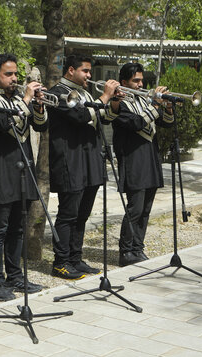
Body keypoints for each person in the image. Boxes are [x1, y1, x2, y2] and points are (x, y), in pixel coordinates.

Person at [0, 53, 47, 301]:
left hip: (22, 171)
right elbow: (2, 124)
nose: (14, 79)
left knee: (18, 227)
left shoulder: (19, 99)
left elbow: (39, 125)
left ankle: (16, 276)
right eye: (9, 74)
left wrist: (37, 105)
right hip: (0, 172)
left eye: (16, 74)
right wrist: (27, 99)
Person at [46, 55, 121, 279]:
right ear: (71, 70)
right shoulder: (57, 92)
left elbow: (105, 117)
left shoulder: (87, 93)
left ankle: (75, 258)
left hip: (90, 160)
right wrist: (105, 96)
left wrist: (114, 100)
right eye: (85, 71)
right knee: (68, 214)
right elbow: (79, 116)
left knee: (82, 215)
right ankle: (60, 261)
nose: (89, 76)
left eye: (89, 72)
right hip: (69, 160)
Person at [112, 63, 173, 267]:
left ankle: (137, 248)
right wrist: (155, 105)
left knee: (146, 208)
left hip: (150, 157)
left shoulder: (143, 100)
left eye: (141, 80)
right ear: (124, 83)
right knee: (135, 208)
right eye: (135, 81)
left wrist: (168, 106)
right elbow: (136, 123)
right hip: (132, 159)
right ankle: (125, 251)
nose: (140, 84)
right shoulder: (119, 103)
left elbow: (167, 123)